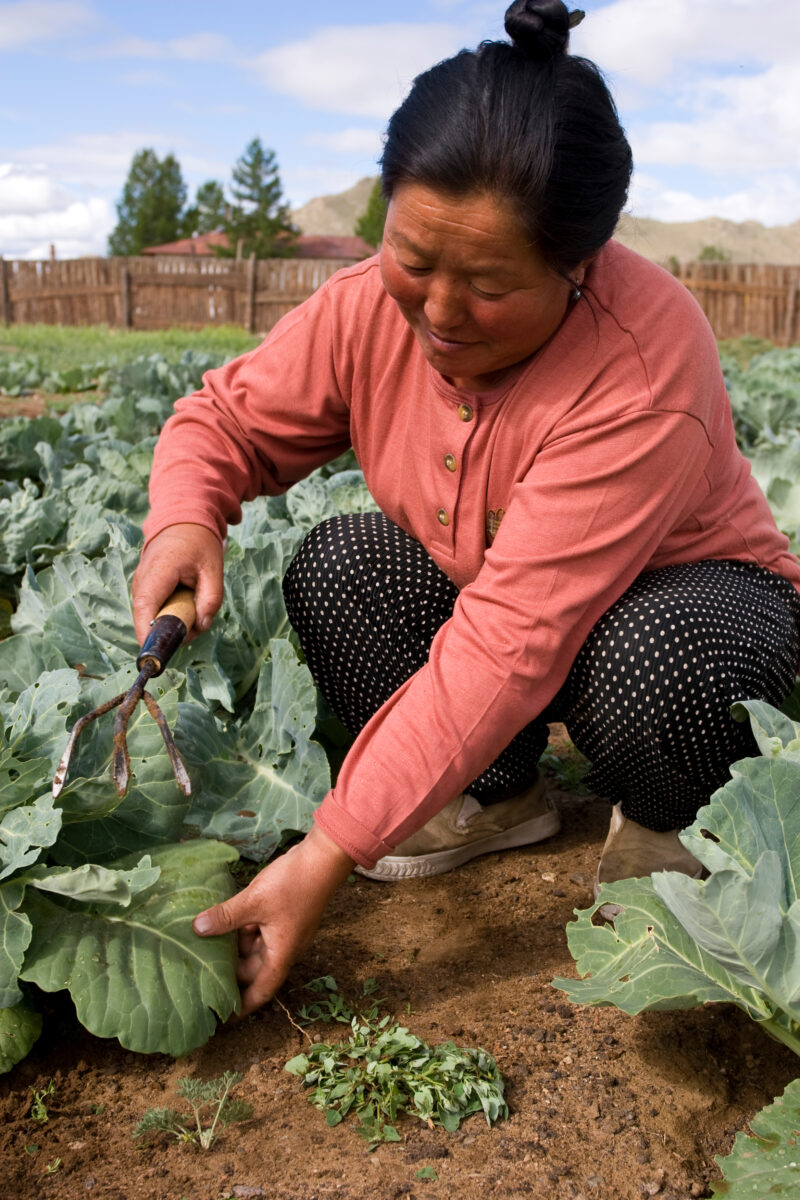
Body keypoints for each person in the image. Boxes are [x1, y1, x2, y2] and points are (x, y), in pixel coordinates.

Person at [132, 0, 800, 1016]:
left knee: (654, 657)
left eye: (487, 285)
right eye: (413, 258)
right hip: (519, 617)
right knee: (342, 561)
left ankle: (680, 819)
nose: (438, 313)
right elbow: (223, 421)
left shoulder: (638, 365)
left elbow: (510, 643)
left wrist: (327, 848)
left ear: (579, 266)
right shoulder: (364, 305)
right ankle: (496, 796)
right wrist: (187, 515)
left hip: (691, 613)